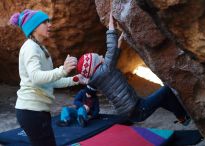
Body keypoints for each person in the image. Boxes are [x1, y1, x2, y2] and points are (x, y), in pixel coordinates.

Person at [73, 11, 191, 125]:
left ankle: (181, 116)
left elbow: (114, 55)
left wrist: (121, 39)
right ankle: (183, 118)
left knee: (160, 98)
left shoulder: (99, 76)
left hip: (130, 111)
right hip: (137, 109)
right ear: (95, 64)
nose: (100, 55)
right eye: (97, 57)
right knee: (168, 89)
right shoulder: (105, 70)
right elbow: (112, 50)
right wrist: (111, 23)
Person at [9, 9, 87, 146]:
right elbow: (36, 77)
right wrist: (63, 69)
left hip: (38, 111)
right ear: (33, 27)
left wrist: (75, 79)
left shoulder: (40, 48)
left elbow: (50, 81)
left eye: (49, 21)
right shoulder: (30, 48)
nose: (49, 25)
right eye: (44, 22)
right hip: (30, 111)